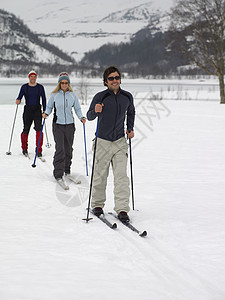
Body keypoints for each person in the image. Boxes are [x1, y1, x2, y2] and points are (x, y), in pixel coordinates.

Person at [87, 66, 135, 223]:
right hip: (102, 141)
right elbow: (89, 116)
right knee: (100, 175)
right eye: (111, 78)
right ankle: (97, 205)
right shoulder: (100, 97)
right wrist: (95, 110)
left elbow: (131, 112)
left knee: (121, 176)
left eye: (117, 78)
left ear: (120, 79)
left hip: (120, 141)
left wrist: (130, 128)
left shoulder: (127, 96)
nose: (114, 80)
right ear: (105, 81)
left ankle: (122, 209)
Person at [42, 72, 86, 183]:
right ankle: (58, 173)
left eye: (66, 83)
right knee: (60, 149)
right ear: (59, 84)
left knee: (68, 149)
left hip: (70, 125)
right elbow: (49, 107)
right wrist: (46, 114)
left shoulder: (72, 95)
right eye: (62, 83)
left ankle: (67, 170)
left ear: (68, 84)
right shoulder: (55, 95)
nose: (64, 85)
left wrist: (81, 117)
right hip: (58, 125)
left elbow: (77, 109)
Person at [16, 70, 46, 156]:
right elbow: (19, 97)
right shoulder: (24, 87)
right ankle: (24, 149)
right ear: (29, 77)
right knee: (26, 129)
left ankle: (39, 150)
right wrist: (18, 100)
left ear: (36, 77)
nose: (33, 78)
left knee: (39, 129)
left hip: (37, 110)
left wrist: (44, 110)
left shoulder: (40, 87)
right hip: (28, 110)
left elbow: (43, 99)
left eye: (34, 76)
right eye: (31, 76)